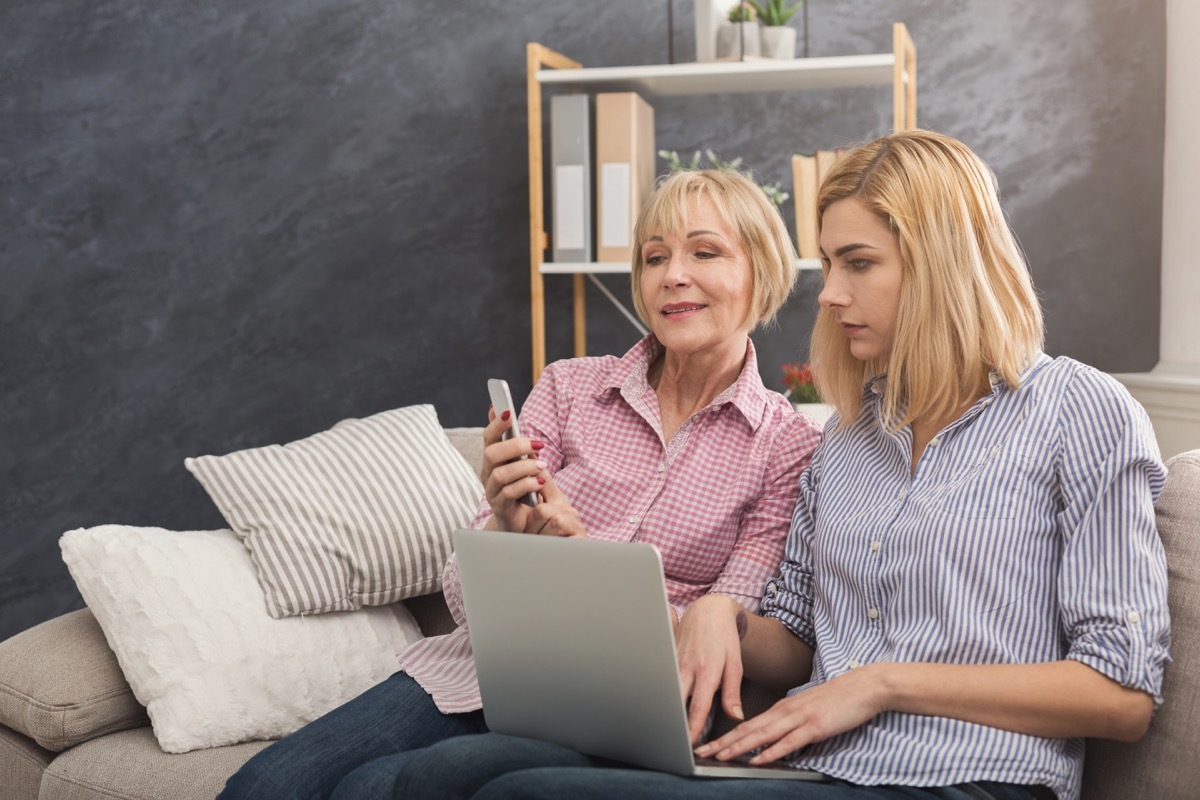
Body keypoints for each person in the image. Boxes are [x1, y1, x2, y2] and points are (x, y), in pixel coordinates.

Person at [384, 129, 1171, 800]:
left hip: (966, 779)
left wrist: (881, 681)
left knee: (522, 795)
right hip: (819, 766)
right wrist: (717, 613)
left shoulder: (1081, 411)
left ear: (940, 261)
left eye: (858, 262)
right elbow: (790, 642)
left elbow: (1121, 695)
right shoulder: (852, 439)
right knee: (453, 778)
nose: (828, 295)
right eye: (828, 264)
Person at [217, 168, 824, 799]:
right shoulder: (568, 388)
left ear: (762, 271)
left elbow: (711, 643)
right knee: (264, 784)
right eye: (654, 257)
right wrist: (505, 527)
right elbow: (463, 600)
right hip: (473, 670)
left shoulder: (786, 445)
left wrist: (583, 561)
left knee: (370, 789)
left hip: (608, 706)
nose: (672, 274)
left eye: (705, 251)